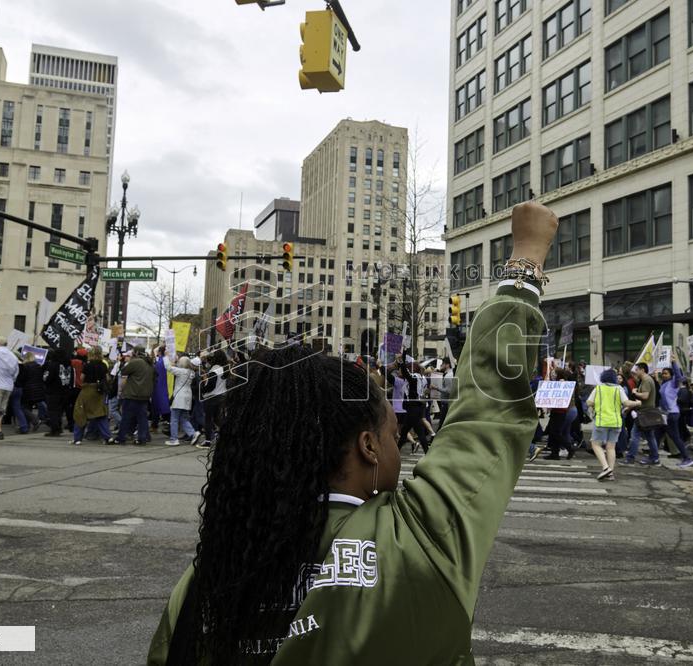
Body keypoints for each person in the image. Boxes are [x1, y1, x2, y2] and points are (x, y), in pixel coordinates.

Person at [146, 200, 556, 665]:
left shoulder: (205, 580)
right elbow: (488, 411)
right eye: (389, 427)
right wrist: (525, 264)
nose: (396, 436)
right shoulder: (419, 538)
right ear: (368, 447)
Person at [586, 368, 639, 481]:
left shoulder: (598, 388)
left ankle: (605, 468)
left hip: (601, 421)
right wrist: (637, 403)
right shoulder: (619, 388)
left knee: (595, 444)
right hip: (616, 422)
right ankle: (611, 473)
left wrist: (596, 405)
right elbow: (626, 403)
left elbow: (589, 402)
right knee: (611, 447)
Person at [657, 362, 693, 468]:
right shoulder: (663, 384)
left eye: (666, 373)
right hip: (665, 414)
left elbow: (679, 376)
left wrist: (674, 362)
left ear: (671, 375)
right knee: (658, 434)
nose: (664, 375)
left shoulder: (674, 383)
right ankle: (653, 456)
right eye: (663, 373)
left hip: (672, 414)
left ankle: (687, 458)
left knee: (675, 437)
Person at [623, 363, 663, 465]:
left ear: (642, 370)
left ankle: (630, 458)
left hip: (645, 412)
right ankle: (654, 458)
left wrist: (635, 392)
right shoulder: (645, 380)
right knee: (649, 436)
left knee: (635, 435)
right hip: (645, 412)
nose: (635, 372)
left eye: (637, 370)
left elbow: (645, 396)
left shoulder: (646, 380)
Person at [72, 346, 112, 446]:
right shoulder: (103, 365)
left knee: (80, 413)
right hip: (99, 392)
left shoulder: (87, 365)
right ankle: (107, 436)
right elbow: (107, 378)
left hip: (87, 390)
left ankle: (77, 438)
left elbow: (82, 377)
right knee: (100, 414)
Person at [115, 345, 154, 446]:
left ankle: (121, 438)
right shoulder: (149, 363)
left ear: (135, 352)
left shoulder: (136, 361)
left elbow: (123, 371)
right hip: (144, 395)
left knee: (126, 417)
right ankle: (142, 438)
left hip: (132, 394)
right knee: (142, 418)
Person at [165, 355, 203, 447]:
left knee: (174, 419)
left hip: (179, 397)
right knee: (183, 418)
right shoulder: (191, 372)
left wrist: (166, 357)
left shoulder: (181, 371)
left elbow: (168, 367)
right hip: (187, 397)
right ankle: (193, 433)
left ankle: (174, 439)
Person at [43, 349, 74, 437]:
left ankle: (55, 429)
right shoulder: (69, 365)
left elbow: (47, 378)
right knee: (60, 411)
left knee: (53, 411)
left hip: (53, 391)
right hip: (65, 391)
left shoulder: (52, 365)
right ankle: (58, 428)